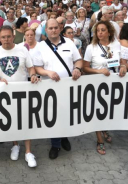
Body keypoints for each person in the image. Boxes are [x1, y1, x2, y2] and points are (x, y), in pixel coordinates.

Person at [0, 25, 39, 168]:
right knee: (11, 121)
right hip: (5, 94)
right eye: (3, 37)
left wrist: (33, 75)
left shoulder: (22, 50)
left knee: (25, 121)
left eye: (8, 36)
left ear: (13, 36)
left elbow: (30, 68)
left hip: (23, 92)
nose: (6, 40)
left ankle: (28, 152)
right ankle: (15, 145)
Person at [33, 19, 83, 159]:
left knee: (66, 114)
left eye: (56, 27)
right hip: (50, 88)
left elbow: (78, 60)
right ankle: (55, 144)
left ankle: (64, 137)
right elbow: (37, 67)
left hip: (67, 87)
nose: (54, 30)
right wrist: (47, 73)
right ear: (46, 30)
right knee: (53, 116)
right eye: (51, 28)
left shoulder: (69, 42)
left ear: (60, 28)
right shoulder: (40, 46)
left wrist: (77, 68)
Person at [83, 21, 126, 155]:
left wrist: (123, 66)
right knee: (98, 112)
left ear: (109, 32)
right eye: (98, 30)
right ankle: (99, 139)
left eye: (103, 30)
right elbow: (85, 68)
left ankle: (104, 128)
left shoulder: (117, 45)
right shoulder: (91, 47)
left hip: (113, 84)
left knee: (108, 111)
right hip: (97, 84)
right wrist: (99, 71)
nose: (100, 33)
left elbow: (122, 60)